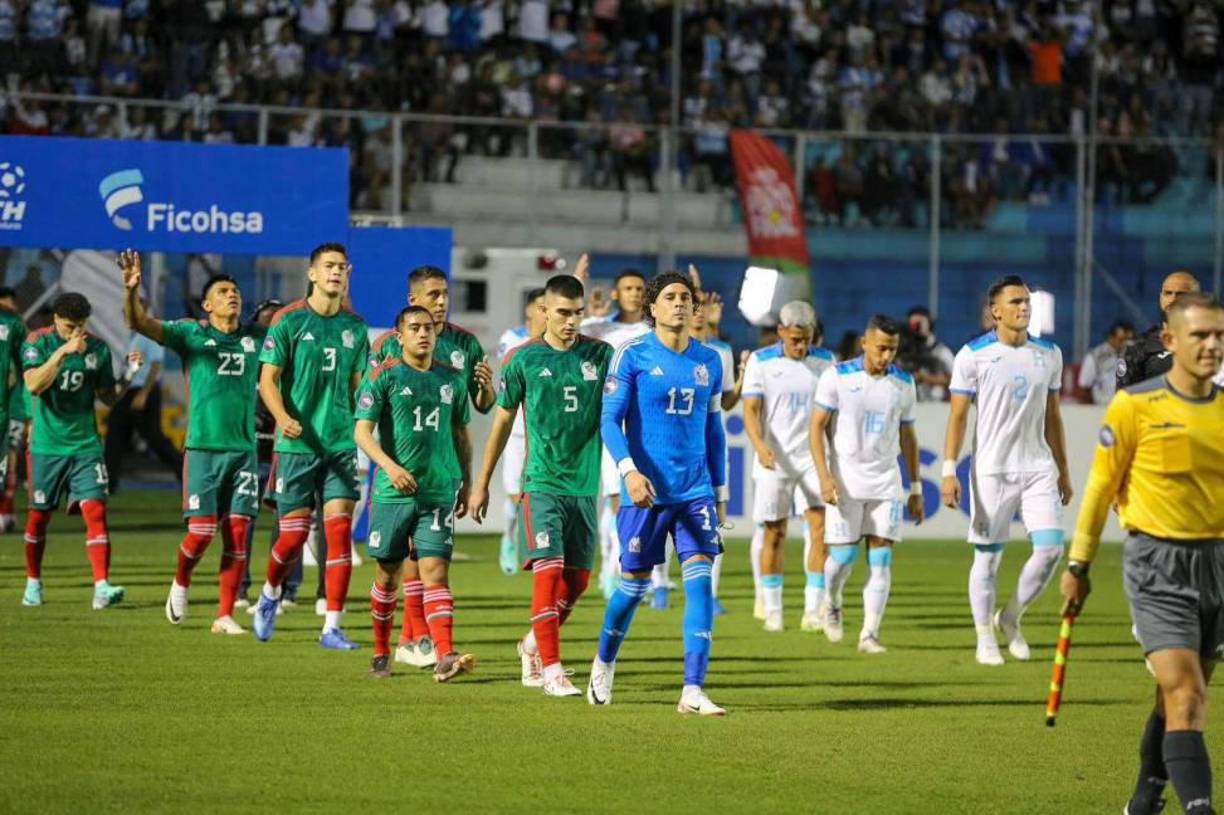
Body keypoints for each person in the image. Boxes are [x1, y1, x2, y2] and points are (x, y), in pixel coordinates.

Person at [1061, 292, 1224, 815]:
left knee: (1181, 696)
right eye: (1201, 334)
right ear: (1170, 340)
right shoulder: (1134, 406)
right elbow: (1099, 488)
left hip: (1217, 565)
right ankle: (1198, 807)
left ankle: (1147, 792)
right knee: (1186, 693)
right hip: (1157, 565)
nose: (1212, 345)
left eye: (1220, 335)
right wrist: (1078, 564)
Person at [587, 270, 728, 716]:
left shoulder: (711, 359)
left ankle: (692, 689)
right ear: (652, 307)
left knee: (701, 581)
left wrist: (720, 490)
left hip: (695, 490)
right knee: (632, 587)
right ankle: (604, 664)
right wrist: (628, 472)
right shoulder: (631, 355)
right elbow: (609, 421)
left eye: (686, 297)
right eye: (670, 297)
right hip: (645, 492)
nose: (680, 303)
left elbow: (713, 429)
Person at [470, 274, 612, 696]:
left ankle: (532, 643)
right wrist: (481, 484)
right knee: (547, 575)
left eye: (577, 313)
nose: (570, 321)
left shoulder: (601, 355)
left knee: (579, 582)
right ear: (543, 311)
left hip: (585, 486)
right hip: (542, 482)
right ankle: (552, 670)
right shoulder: (522, 359)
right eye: (562, 313)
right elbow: (500, 424)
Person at [119, 251, 262, 636]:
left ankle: (224, 615)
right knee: (201, 533)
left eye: (235, 290)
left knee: (237, 536)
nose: (232, 295)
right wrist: (130, 290)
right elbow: (139, 322)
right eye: (223, 291)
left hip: (243, 452)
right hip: (203, 450)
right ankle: (181, 583)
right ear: (207, 304)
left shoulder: (256, 339)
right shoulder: (191, 334)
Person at [941, 275, 1073, 666]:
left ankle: (1011, 616)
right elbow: (958, 417)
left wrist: (1063, 469)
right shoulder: (972, 355)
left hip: (1036, 467)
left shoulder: (1049, 354)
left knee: (1051, 549)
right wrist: (949, 471)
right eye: (1015, 302)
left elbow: (1053, 417)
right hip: (991, 470)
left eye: (1027, 301)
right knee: (988, 558)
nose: (1024, 307)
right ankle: (985, 637)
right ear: (995, 310)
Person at [369, 265, 494, 667]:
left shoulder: (465, 345)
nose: (442, 303)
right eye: (434, 295)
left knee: (432, 564)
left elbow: (476, 410)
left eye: (445, 295)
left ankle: (431, 645)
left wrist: (487, 388)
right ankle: (393, 645)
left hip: (439, 480)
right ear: (412, 302)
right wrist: (387, 465)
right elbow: (372, 409)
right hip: (399, 476)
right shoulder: (389, 349)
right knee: (397, 565)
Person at [252, 243, 370, 650]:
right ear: (313, 274)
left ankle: (332, 627)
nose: (336, 272)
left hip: (338, 445)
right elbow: (268, 380)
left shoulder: (355, 328)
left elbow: (360, 390)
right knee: (293, 536)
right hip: (296, 446)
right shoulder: (287, 320)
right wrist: (283, 418)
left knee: (339, 535)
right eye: (329, 267)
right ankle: (269, 594)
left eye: (342, 267)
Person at [356, 305, 475, 682]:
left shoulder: (452, 379)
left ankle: (444, 653)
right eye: (414, 328)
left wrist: (467, 481)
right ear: (399, 335)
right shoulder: (383, 376)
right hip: (393, 494)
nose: (423, 333)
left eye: (428, 328)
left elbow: (460, 433)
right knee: (387, 574)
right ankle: (380, 651)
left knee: (435, 572)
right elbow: (361, 433)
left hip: (438, 491)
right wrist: (389, 467)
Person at [20, 292, 142, 609]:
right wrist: (63, 352)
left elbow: (108, 397)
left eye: (80, 327)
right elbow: (33, 384)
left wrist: (128, 376)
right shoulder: (38, 342)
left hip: (86, 444)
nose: (75, 333)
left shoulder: (98, 349)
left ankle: (102, 587)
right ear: (56, 319)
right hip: (47, 445)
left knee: (97, 511)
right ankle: (33, 582)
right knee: (38, 518)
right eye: (68, 326)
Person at [810, 315, 924, 653]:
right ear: (864, 343)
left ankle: (869, 634)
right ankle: (831, 600)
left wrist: (915, 487)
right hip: (845, 481)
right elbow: (815, 428)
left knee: (882, 557)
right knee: (842, 559)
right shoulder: (837, 377)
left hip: (886, 482)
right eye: (880, 349)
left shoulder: (903, 383)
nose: (886, 356)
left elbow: (908, 436)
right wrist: (825, 477)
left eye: (892, 350)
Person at [741, 300, 835, 633]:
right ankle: (774, 608)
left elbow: (831, 416)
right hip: (774, 459)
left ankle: (812, 609)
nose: (801, 346)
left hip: (812, 457)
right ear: (780, 332)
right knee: (775, 532)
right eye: (795, 339)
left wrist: (833, 458)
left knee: (820, 529)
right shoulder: (760, 361)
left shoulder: (826, 362)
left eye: (807, 338)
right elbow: (751, 410)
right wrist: (760, 446)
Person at [581, 267, 651, 599]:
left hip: (647, 425)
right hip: (613, 423)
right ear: (615, 293)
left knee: (642, 502)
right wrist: (579, 284)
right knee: (614, 500)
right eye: (627, 288)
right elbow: (572, 328)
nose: (634, 293)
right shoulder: (601, 328)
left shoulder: (653, 331)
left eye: (639, 288)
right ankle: (611, 570)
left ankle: (635, 567)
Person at [492, 286, 546, 576]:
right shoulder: (512, 339)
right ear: (529, 309)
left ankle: (534, 545)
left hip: (546, 431)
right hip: (516, 430)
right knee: (515, 493)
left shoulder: (556, 342)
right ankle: (509, 538)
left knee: (539, 492)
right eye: (540, 305)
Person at [103, 296, 184, 492]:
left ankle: (185, 472)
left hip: (143, 390)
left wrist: (145, 393)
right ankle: (108, 483)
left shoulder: (148, 331)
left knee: (154, 438)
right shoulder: (133, 335)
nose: (125, 313)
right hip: (129, 391)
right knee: (115, 435)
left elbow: (156, 365)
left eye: (129, 309)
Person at [1117, 271, 1201, 389]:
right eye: (1168, 293)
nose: (1172, 299)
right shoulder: (1138, 346)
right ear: (1161, 298)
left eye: (1181, 294)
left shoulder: (1211, 344)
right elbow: (1123, 400)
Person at [0, 285, 26, 533]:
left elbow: (25, 367)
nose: (11, 305)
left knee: (11, 456)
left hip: (13, 404)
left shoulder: (13, 326)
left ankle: (6, 509)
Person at [1077, 320, 1134, 404]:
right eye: (1121, 340)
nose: (1125, 343)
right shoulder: (1095, 357)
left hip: (1127, 409)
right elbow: (1083, 388)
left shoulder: (1134, 356)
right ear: (1111, 338)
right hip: (1102, 409)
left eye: (1128, 339)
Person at [906, 306, 956, 402]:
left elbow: (957, 380)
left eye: (919, 324)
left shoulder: (941, 352)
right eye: (912, 325)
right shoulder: (906, 353)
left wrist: (926, 379)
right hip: (915, 404)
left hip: (937, 405)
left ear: (929, 324)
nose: (915, 328)